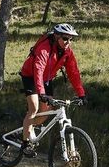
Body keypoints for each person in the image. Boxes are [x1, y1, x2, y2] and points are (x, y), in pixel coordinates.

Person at [19, 22, 86, 156]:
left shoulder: (67, 52)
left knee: (45, 112)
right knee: (33, 107)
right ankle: (25, 143)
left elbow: (73, 73)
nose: (68, 42)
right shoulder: (44, 48)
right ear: (56, 37)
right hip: (30, 76)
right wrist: (41, 92)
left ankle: (28, 128)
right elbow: (38, 69)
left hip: (46, 79)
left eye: (70, 39)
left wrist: (81, 94)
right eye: (65, 38)